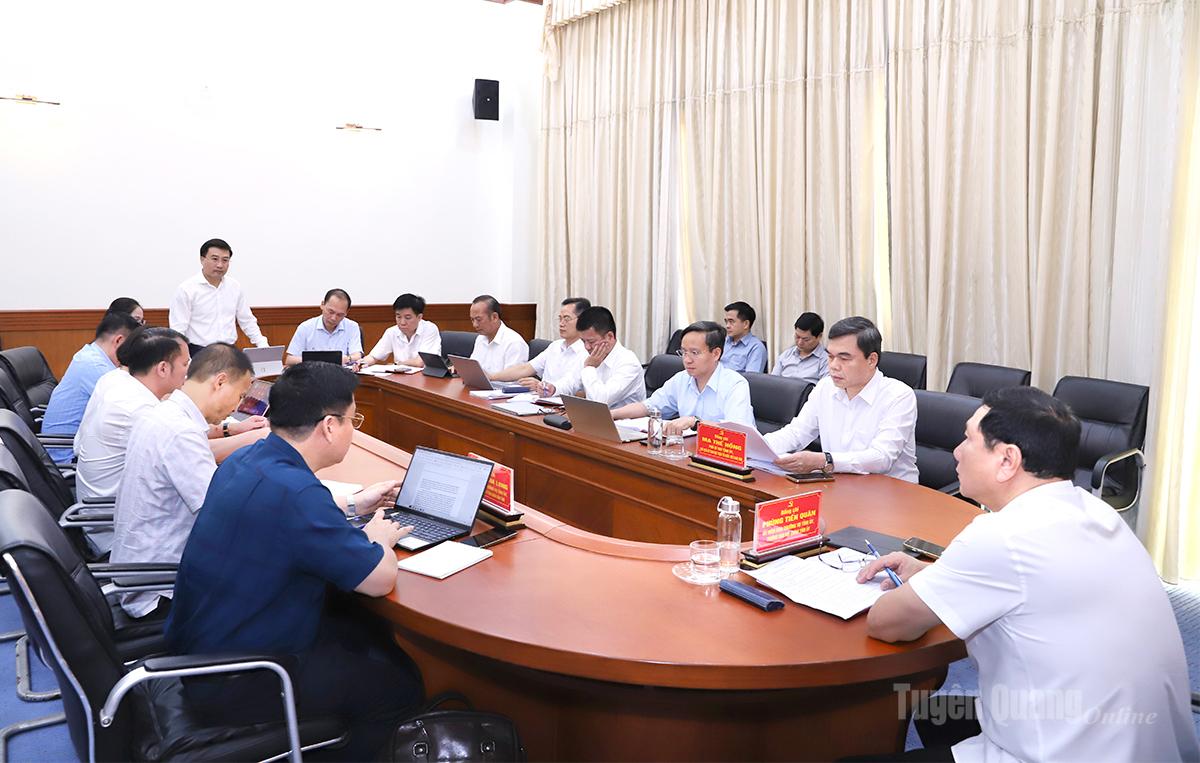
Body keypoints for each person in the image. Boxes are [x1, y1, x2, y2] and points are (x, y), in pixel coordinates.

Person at [854, 387, 1198, 761]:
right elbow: (1034, 584)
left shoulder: (1001, 535)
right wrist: (933, 575)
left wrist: (920, 587)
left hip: (1064, 752)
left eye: (968, 439)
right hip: (1145, 741)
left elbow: (886, 624)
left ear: (1007, 460)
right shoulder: (1095, 511)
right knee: (936, 716)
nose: (957, 451)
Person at [166, 362, 421, 760]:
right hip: (243, 678)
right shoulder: (298, 494)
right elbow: (379, 579)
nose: (353, 430)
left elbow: (289, 511)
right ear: (330, 426)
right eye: (353, 420)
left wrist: (356, 504)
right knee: (399, 687)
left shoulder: (248, 459)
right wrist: (379, 538)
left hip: (202, 649)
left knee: (360, 629)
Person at [110, 344, 260, 619]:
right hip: (160, 590)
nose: (237, 407)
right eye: (240, 396)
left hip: (140, 570)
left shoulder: (162, 413)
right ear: (220, 382)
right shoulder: (180, 432)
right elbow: (223, 515)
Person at [763, 316, 917, 482]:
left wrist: (825, 460)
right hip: (838, 484)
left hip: (890, 491)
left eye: (844, 358)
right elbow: (797, 433)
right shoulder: (825, 387)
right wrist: (758, 446)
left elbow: (882, 458)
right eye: (830, 357)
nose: (834, 366)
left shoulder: (899, 396)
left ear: (871, 360)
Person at [610, 321, 754, 435]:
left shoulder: (735, 384)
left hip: (725, 457)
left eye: (694, 353)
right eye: (684, 352)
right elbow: (648, 406)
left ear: (716, 354)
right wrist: (611, 414)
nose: (687, 360)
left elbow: (738, 432)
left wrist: (695, 423)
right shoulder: (681, 379)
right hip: (689, 452)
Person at [40, 310, 141, 463]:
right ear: (119, 341)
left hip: (74, 446)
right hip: (66, 456)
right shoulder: (95, 366)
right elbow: (132, 408)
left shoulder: (89, 354)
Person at [169, 238, 270, 351]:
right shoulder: (186, 289)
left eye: (225, 260)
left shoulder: (234, 287)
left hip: (229, 350)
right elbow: (178, 329)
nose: (220, 265)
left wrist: (263, 345)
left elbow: (247, 320)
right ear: (202, 259)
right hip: (199, 351)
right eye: (215, 259)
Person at [552, 305, 645, 408]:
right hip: (591, 415)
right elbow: (572, 382)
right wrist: (553, 388)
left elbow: (600, 401)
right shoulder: (589, 353)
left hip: (619, 418)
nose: (587, 347)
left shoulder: (629, 362)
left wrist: (589, 367)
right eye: (583, 341)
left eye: (591, 341)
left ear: (609, 336)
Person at [491, 297, 590, 393]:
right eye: (560, 318)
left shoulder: (587, 352)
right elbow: (525, 368)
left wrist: (543, 387)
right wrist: (491, 377)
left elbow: (579, 391)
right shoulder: (555, 346)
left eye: (566, 319)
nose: (561, 324)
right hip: (540, 399)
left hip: (561, 403)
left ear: (583, 321)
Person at [359, 293, 441, 369]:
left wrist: (396, 364)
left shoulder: (430, 329)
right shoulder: (392, 332)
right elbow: (373, 356)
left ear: (419, 317)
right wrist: (361, 363)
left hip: (426, 377)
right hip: (400, 377)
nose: (402, 322)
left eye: (407, 318)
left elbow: (420, 362)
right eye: (398, 317)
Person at [284, 288, 362, 366]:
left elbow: (357, 356)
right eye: (331, 312)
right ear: (322, 305)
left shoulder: (352, 327)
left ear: (346, 313)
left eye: (340, 315)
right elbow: (290, 360)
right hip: (312, 372)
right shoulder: (305, 327)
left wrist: (348, 359)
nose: (333, 318)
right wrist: (319, 360)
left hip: (341, 372)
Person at [467, 294, 528, 374]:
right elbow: (474, 370)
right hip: (479, 382)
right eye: (472, 320)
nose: (475, 325)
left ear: (494, 317)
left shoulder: (514, 343)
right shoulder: (480, 338)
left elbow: (513, 379)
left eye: (478, 320)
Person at [771, 312, 829, 384]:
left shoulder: (825, 360)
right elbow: (772, 382)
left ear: (819, 336)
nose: (800, 342)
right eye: (797, 337)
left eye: (806, 339)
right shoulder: (786, 355)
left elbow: (825, 388)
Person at [720, 301, 767, 373]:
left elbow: (752, 377)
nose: (727, 326)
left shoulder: (756, 347)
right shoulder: (723, 341)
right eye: (726, 321)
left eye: (731, 321)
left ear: (746, 324)